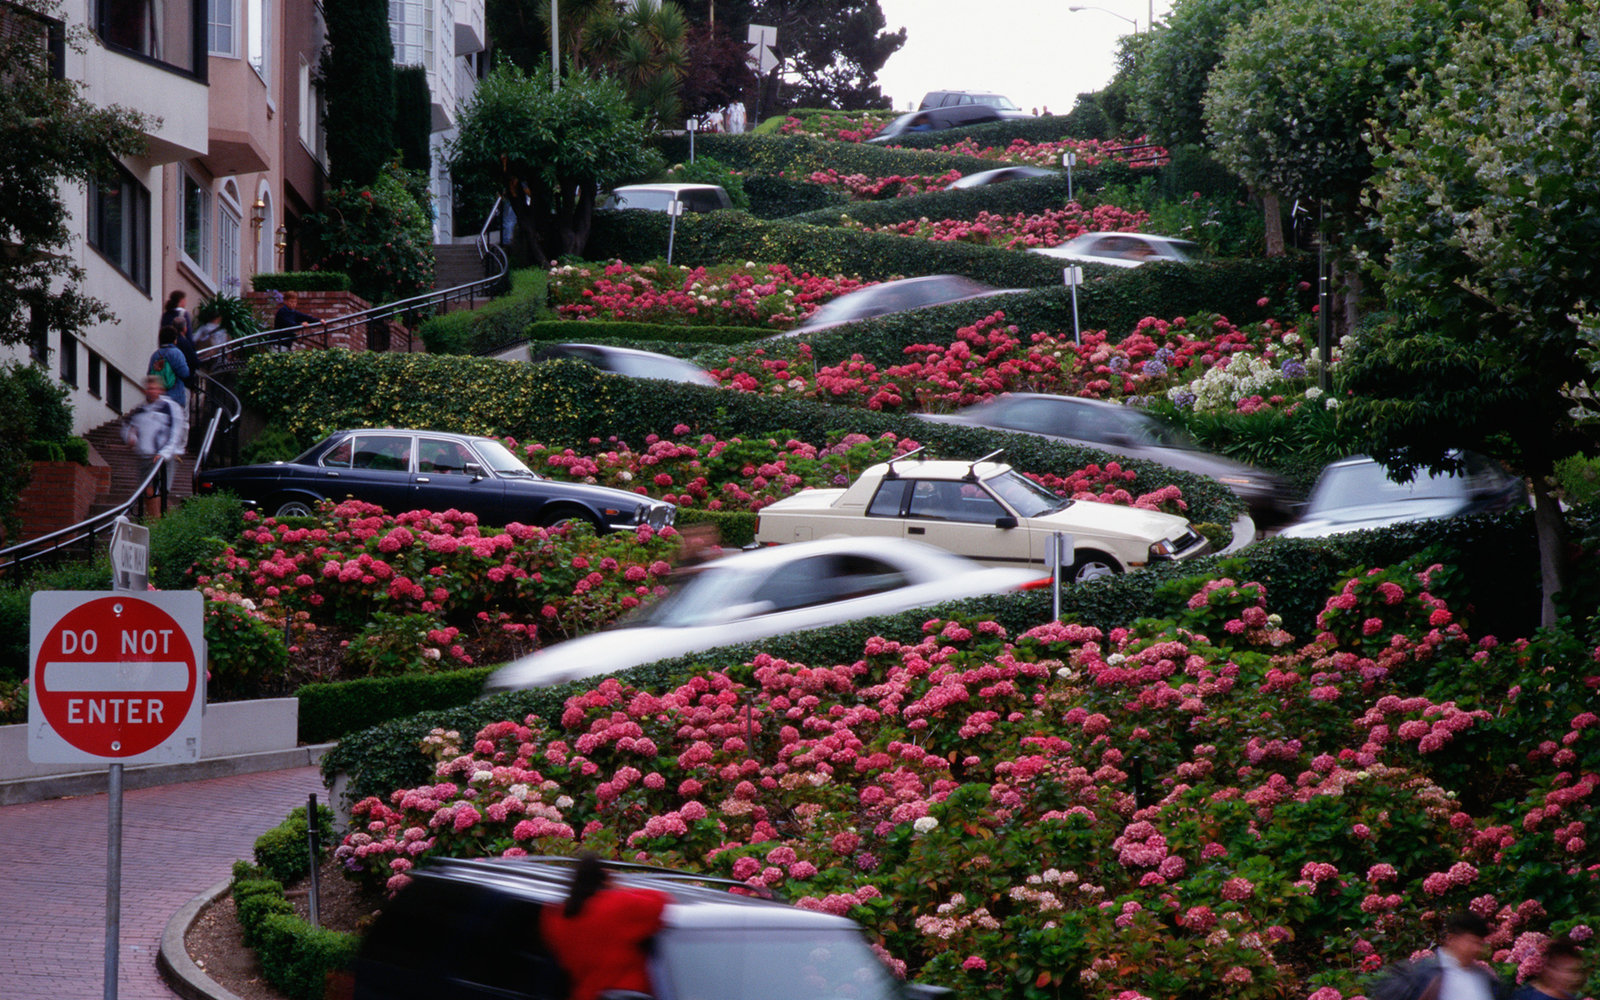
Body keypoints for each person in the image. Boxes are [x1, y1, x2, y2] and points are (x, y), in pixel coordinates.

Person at [540, 853, 669, 1000]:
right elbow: (660, 900)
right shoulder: (615, 905)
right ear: (603, 877)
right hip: (627, 994)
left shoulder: (556, 915)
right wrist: (617, 887)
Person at [1370, 913, 1509, 1000]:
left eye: (1479, 944)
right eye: (1471, 942)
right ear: (1452, 939)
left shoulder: (1485, 979)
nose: (1476, 949)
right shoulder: (1417, 974)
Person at [122, 374, 187, 495]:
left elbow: (176, 434)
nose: (151, 391)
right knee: (147, 495)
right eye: (149, 388)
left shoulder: (170, 407)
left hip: (162, 458)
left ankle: (157, 514)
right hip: (144, 457)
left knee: (153, 492)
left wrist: (164, 453)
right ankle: (161, 514)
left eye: (154, 388)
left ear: (161, 390)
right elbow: (128, 429)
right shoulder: (140, 409)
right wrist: (130, 438)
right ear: (144, 390)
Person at [1512, 938, 1586, 1000]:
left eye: (1575, 971)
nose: (1573, 977)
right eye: (1567, 971)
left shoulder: (1568, 997)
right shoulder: (1526, 996)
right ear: (1549, 969)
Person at [148, 326, 191, 407]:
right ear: (174, 339)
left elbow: (150, 374)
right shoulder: (176, 353)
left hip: (158, 398)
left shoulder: (155, 355)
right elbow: (185, 373)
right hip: (175, 397)